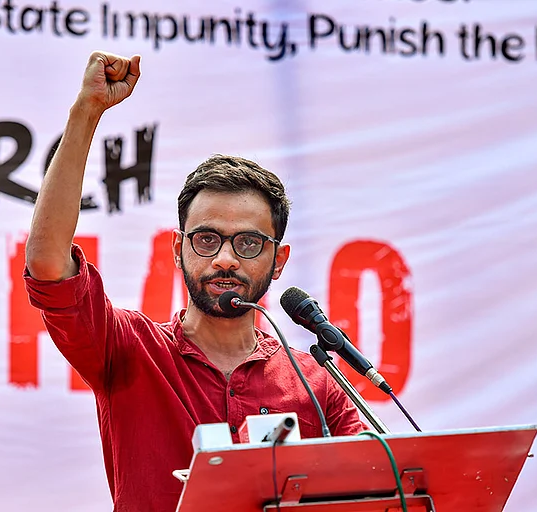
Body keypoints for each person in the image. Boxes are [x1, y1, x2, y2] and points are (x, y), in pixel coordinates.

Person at [24, 51, 365, 512]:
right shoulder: (128, 348)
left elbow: (378, 486)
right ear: (177, 248)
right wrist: (87, 111)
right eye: (206, 239)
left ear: (278, 260)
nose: (225, 259)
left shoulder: (314, 382)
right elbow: (48, 264)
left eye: (248, 243)